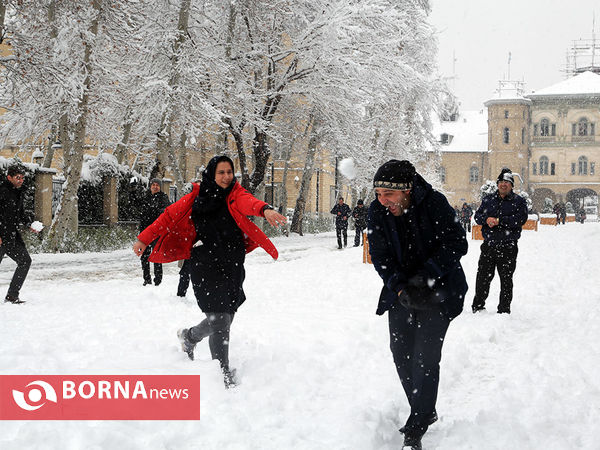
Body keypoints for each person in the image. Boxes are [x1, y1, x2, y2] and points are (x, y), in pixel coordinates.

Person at [132, 155, 287, 388]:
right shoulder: (197, 196)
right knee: (219, 319)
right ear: (212, 174)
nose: (226, 177)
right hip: (205, 261)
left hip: (232, 261)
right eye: (221, 172)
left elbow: (249, 203)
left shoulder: (235, 193)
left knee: (225, 318)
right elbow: (168, 216)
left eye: (229, 172)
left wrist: (265, 210)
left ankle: (189, 337)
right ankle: (222, 374)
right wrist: (144, 239)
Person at [367, 160, 468, 450]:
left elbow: (457, 243)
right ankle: (424, 408)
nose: (382, 201)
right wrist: (399, 287)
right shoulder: (378, 211)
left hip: (439, 289)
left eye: (388, 194)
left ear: (406, 190)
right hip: (401, 292)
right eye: (378, 194)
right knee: (400, 353)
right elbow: (380, 254)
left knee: (425, 356)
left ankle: (415, 429)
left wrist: (426, 276)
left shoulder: (434, 203)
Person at [471, 168, 528, 315]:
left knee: (506, 279)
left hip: (508, 247)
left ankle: (504, 310)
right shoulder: (488, 199)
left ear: (511, 186)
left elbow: (521, 219)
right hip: (489, 246)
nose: (503, 185)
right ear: (497, 184)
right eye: (501, 182)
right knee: (483, 277)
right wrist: (486, 219)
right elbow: (477, 217)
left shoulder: (518, 201)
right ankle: (478, 306)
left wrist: (499, 221)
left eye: (507, 182)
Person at [0, 164, 39, 304]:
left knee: (24, 261)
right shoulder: (2, 191)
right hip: (1, 235)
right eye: (18, 178)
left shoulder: (19, 192)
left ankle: (12, 295)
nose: (21, 180)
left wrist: (29, 224)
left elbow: (20, 213)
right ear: (9, 177)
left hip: (11, 236)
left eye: (22, 178)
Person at [138, 178, 170, 286]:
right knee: (144, 257)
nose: (155, 186)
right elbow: (141, 212)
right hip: (145, 232)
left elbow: (165, 211)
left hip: (157, 232)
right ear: (150, 186)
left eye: (157, 185)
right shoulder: (145, 197)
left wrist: (156, 210)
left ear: (160, 187)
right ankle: (147, 279)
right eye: (153, 185)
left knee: (157, 256)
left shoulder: (163, 198)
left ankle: (158, 280)